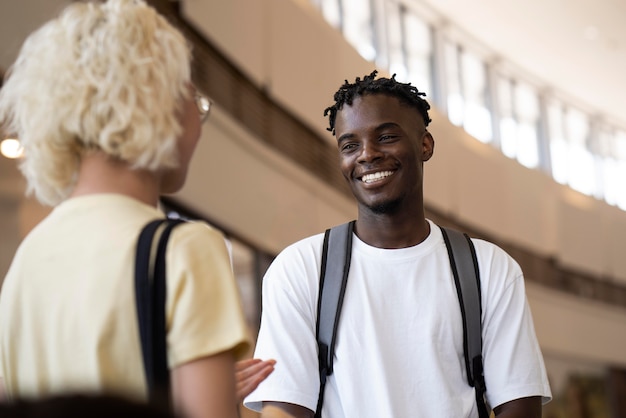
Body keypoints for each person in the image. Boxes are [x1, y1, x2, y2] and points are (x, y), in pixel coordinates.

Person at [243, 71, 552, 417]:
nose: (367, 155)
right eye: (350, 145)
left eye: (386, 137)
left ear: (425, 144)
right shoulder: (300, 269)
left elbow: (519, 407)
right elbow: (284, 409)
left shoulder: (488, 268)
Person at [0, 1, 255, 417]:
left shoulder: (24, 264)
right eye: (194, 99)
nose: (198, 120)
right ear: (161, 102)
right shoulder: (185, 249)